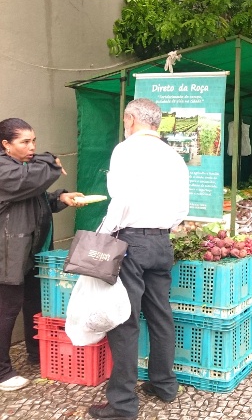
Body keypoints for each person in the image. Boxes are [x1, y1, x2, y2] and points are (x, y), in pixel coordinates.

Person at [88, 99, 189, 420]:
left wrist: (102, 235)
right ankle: (163, 384)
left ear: (130, 119)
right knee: (161, 315)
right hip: (162, 242)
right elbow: (181, 209)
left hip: (130, 240)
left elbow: (120, 201)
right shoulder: (174, 156)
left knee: (124, 320)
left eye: (124, 120)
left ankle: (122, 405)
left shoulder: (126, 150)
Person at [0, 118, 83, 392]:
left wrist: (60, 198)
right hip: (8, 255)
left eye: (34, 140)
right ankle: (1, 371)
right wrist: (52, 161)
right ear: (5, 145)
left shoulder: (23, 168)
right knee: (6, 312)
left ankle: (38, 353)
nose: (32, 146)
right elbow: (29, 181)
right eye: (25, 142)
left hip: (30, 253)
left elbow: (35, 198)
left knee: (35, 305)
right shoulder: (4, 169)